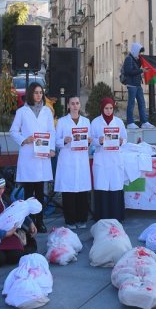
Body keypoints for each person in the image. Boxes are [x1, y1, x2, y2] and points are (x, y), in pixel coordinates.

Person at [9, 81, 55, 233]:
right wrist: (24, 139)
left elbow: (51, 131)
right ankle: (29, 223)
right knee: (29, 193)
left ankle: (40, 221)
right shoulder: (22, 111)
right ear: (30, 94)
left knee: (40, 192)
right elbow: (13, 131)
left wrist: (52, 148)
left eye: (41, 92)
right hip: (29, 155)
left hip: (42, 155)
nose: (39, 95)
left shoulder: (47, 111)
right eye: (36, 92)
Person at [54, 96, 92, 229]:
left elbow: (90, 139)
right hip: (67, 159)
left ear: (80, 105)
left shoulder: (86, 121)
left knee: (82, 190)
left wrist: (89, 141)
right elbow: (56, 141)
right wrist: (64, 140)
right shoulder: (62, 122)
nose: (75, 106)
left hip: (81, 159)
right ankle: (70, 220)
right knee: (68, 190)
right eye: (72, 103)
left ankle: (82, 219)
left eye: (77, 103)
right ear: (68, 106)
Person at [90, 98, 128, 221]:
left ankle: (117, 217)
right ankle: (102, 217)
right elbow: (90, 140)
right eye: (106, 108)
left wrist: (122, 141)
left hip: (115, 159)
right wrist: (98, 141)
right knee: (102, 188)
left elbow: (125, 138)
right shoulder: (95, 122)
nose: (108, 111)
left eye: (110, 108)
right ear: (102, 108)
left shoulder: (119, 122)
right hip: (101, 159)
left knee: (116, 187)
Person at [123, 42, 154, 129]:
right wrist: (141, 71)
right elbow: (128, 71)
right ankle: (130, 123)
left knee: (142, 103)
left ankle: (144, 122)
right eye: (139, 52)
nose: (140, 54)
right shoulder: (129, 59)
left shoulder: (136, 60)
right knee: (131, 104)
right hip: (131, 85)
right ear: (135, 51)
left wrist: (142, 70)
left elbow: (136, 70)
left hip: (137, 84)